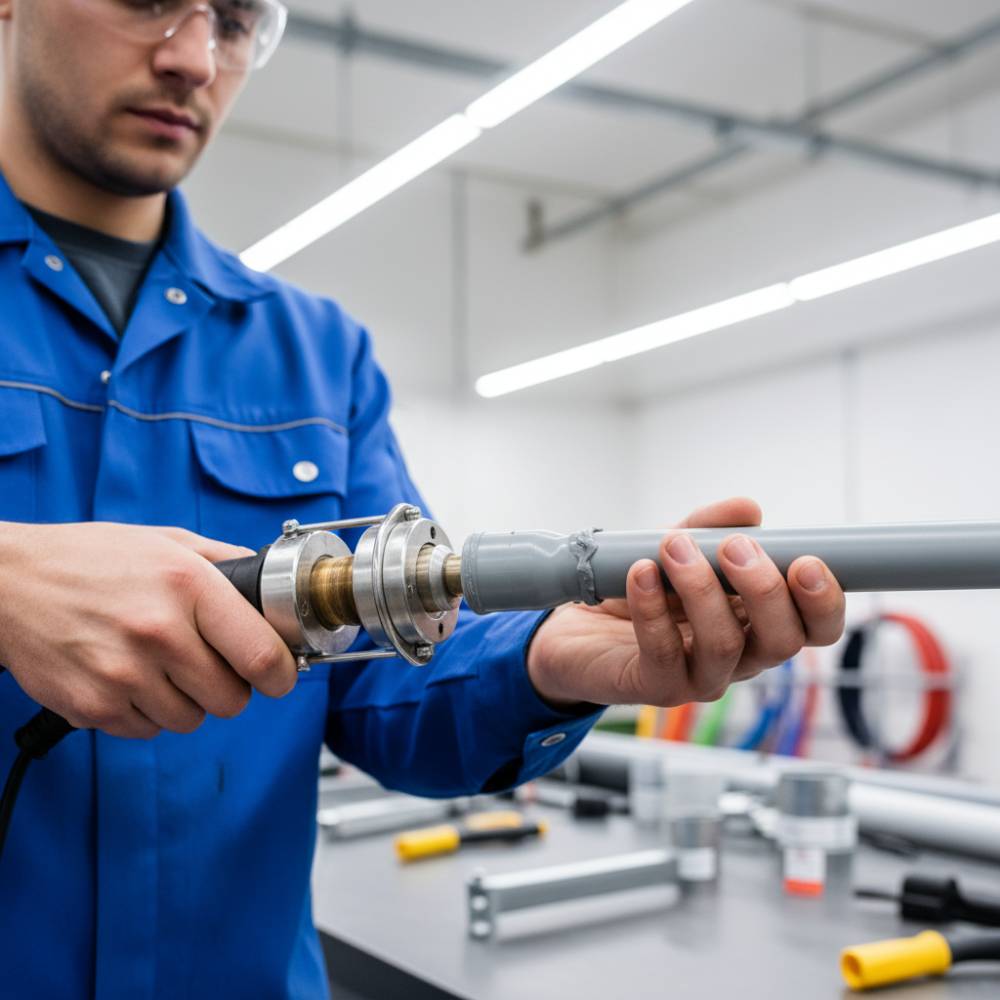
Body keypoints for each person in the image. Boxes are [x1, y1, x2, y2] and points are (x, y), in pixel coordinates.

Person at [0, 2, 847, 997]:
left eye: (235, 20)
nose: (194, 57)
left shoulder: (316, 357)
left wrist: (547, 663)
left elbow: (385, 683)